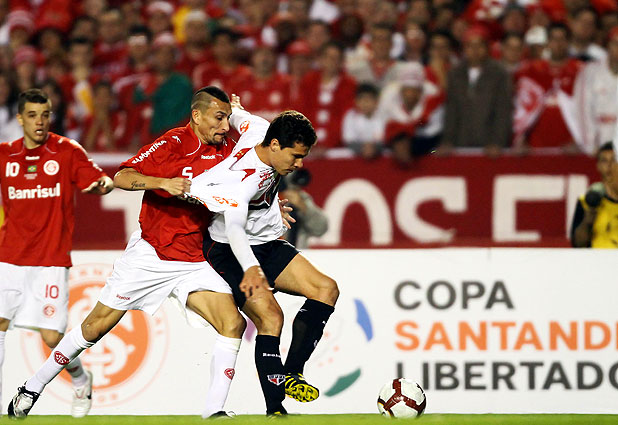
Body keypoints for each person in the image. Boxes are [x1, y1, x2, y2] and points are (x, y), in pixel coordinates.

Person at [7, 87, 246, 419]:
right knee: (94, 328)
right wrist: (162, 183)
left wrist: (272, 204)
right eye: (219, 118)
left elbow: (251, 179)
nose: (224, 126)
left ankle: (214, 411)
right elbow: (122, 177)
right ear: (197, 115)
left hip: (193, 259)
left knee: (233, 323)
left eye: (227, 119)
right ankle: (32, 386)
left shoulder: (228, 150)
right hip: (150, 255)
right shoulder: (173, 143)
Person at [187, 96, 339, 415]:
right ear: (275, 145)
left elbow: (238, 117)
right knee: (271, 317)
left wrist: (234, 108)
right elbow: (234, 229)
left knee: (326, 289)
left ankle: (292, 373)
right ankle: (275, 410)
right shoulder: (244, 182)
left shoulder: (259, 128)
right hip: (230, 250)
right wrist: (251, 269)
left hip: (266, 242)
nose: (299, 164)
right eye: (295, 156)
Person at [0, 88, 113, 417]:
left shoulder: (66, 151)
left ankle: (80, 378)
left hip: (51, 258)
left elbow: (98, 179)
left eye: (45, 115)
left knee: (51, 337)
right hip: (9, 256)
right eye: (32, 115)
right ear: (20, 119)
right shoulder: (5, 155)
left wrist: (102, 185)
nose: (39, 121)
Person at [570, 142, 618, 248]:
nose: (609, 165)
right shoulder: (586, 201)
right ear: (598, 166)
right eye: (604, 161)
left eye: (614, 160)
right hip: (597, 257)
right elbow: (578, 245)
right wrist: (588, 219)